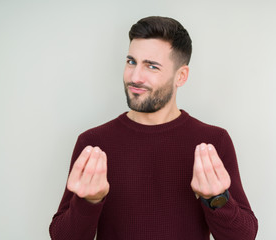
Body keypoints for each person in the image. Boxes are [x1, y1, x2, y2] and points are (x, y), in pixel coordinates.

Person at [49, 16, 258, 240]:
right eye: (131, 62)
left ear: (181, 76)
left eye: (151, 66)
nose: (135, 77)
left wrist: (217, 198)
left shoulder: (213, 141)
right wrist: (88, 202)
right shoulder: (93, 144)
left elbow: (243, 236)